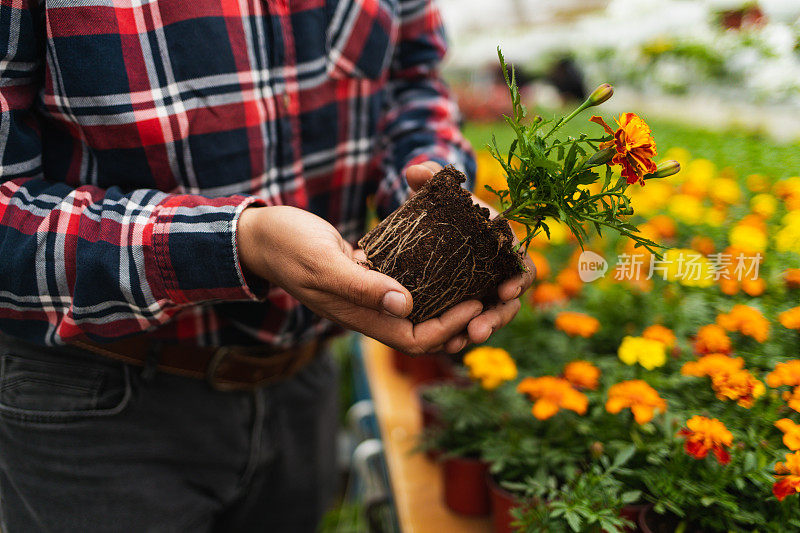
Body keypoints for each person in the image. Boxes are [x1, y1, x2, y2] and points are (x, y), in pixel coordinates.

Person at [0, 0, 534, 531]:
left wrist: (436, 202)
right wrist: (236, 244)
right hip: (97, 405)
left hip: (303, 383)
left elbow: (412, 78)